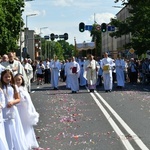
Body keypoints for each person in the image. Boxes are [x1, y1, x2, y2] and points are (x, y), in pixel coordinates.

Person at [1, 69, 29, 150]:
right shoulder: (1, 87)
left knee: (12, 129)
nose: (7, 78)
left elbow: (18, 99)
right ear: (2, 77)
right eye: (5, 77)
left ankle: (13, 146)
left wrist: (12, 102)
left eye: (9, 77)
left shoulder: (13, 86)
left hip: (11, 110)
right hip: (2, 111)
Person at [14, 73, 39, 149]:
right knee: (19, 127)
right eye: (16, 80)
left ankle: (27, 142)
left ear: (22, 80)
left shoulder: (23, 88)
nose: (18, 81)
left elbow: (29, 101)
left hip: (25, 110)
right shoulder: (14, 89)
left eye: (19, 79)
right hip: (18, 111)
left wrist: (31, 110)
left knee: (26, 127)